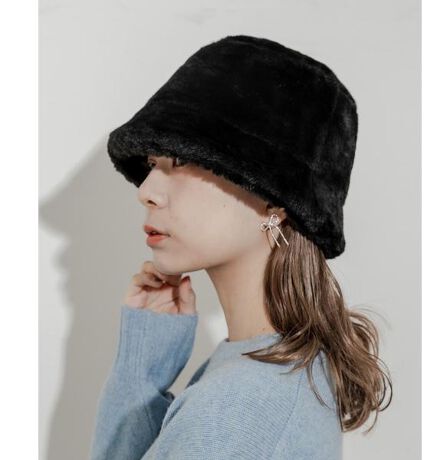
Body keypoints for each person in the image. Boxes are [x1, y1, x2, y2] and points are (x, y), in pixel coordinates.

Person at [89, 34, 392, 459]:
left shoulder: (235, 409)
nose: (147, 191)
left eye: (181, 161)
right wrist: (142, 372)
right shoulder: (273, 368)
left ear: (275, 200)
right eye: (153, 164)